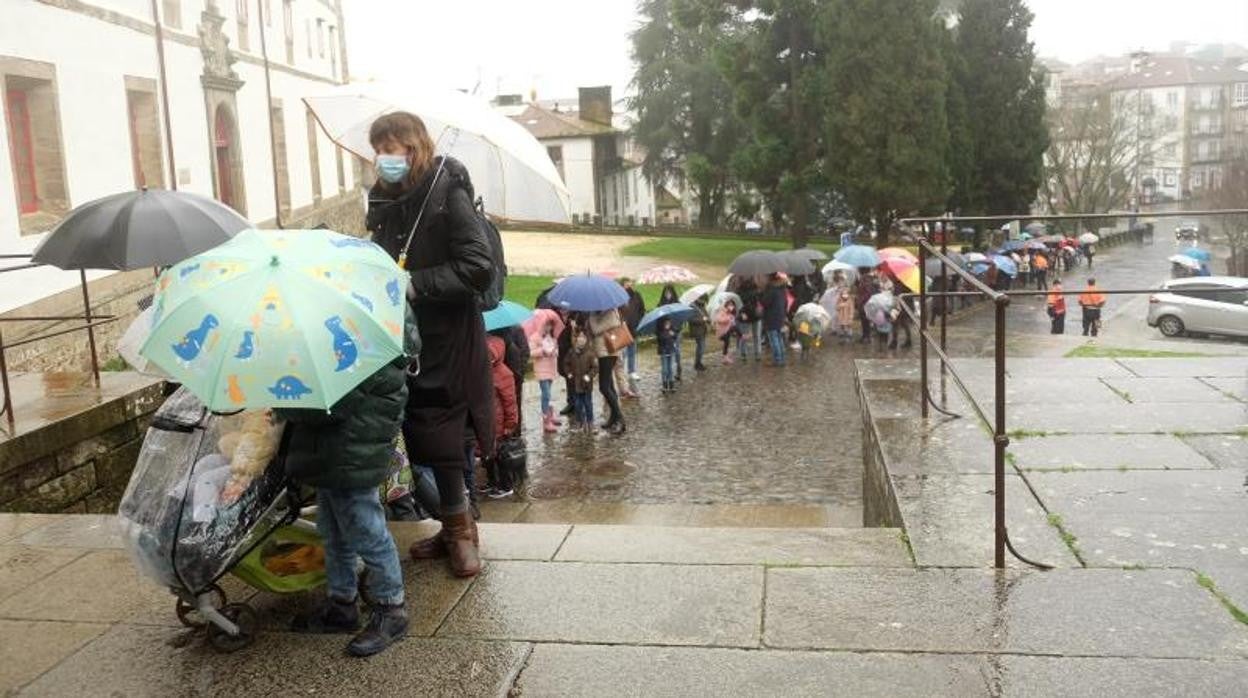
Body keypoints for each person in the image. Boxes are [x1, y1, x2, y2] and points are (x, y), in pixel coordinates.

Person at [365, 112, 492, 579]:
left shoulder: (447, 192)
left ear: (413, 148)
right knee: (418, 430)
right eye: (377, 147)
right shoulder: (386, 196)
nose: (382, 157)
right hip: (409, 333)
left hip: (449, 333)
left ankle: (461, 534)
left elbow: (477, 266)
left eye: (390, 147)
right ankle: (451, 527)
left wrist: (413, 284)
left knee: (445, 431)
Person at [283, 310, 417, 657]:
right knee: (332, 528)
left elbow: (334, 403)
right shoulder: (356, 329)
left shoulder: (367, 342)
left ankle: (392, 607)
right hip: (336, 450)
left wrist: (284, 405)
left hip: (353, 449)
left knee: (365, 529)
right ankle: (342, 603)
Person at [482, 335, 519, 498]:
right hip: (486, 421)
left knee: (501, 457)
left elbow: (510, 402)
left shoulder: (504, 373)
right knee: (487, 455)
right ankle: (492, 482)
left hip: (498, 423)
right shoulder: (482, 371)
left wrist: (510, 425)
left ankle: (506, 485)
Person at [588, 307, 627, 434]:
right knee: (609, 385)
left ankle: (620, 419)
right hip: (604, 352)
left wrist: (591, 315)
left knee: (604, 387)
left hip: (608, 352)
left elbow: (595, 329)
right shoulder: (602, 311)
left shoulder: (611, 313)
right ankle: (613, 418)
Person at [528, 314, 561, 433]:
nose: (549, 327)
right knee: (546, 394)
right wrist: (542, 351)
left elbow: (556, 349)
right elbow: (530, 352)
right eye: (547, 324)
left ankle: (550, 415)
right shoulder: (535, 337)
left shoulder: (552, 337)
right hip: (541, 369)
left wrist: (555, 351)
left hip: (551, 368)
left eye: (551, 325)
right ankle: (546, 421)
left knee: (549, 394)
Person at [564, 328, 597, 433]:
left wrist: (590, 375)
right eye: (579, 337)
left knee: (588, 404)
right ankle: (579, 422)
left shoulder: (591, 353)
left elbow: (595, 367)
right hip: (576, 384)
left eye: (583, 337)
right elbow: (566, 363)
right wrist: (568, 373)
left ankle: (590, 422)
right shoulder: (571, 352)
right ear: (576, 339)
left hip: (586, 385)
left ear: (587, 339)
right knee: (578, 404)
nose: (581, 339)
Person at [618, 278, 646, 395]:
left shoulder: (637, 295)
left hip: (634, 328)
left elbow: (642, 309)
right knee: (623, 352)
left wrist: (638, 321)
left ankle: (631, 371)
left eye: (631, 283)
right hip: (623, 329)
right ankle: (622, 372)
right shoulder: (620, 297)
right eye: (627, 284)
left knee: (632, 351)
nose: (630, 285)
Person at [762, 273, 789, 366]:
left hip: (771, 318)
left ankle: (778, 360)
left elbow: (765, 303)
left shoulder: (771, 290)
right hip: (780, 317)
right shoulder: (782, 290)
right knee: (779, 338)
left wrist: (762, 294)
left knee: (774, 339)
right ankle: (782, 358)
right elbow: (786, 304)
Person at [736, 277, 763, 361]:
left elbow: (737, 304)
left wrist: (741, 312)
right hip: (752, 315)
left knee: (746, 336)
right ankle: (756, 354)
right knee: (755, 336)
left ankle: (745, 354)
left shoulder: (739, 290)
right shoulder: (756, 289)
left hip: (749, 315)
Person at [687, 295, 710, 371]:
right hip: (697, 331)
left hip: (703, 330)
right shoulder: (692, 307)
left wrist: (708, 319)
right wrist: (702, 320)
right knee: (701, 347)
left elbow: (706, 315)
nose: (704, 302)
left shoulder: (702, 306)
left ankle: (698, 362)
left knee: (701, 347)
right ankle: (697, 363)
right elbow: (691, 319)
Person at [657, 317, 679, 393]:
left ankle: (671, 384)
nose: (668, 324)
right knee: (665, 369)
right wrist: (667, 331)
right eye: (666, 323)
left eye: (669, 323)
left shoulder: (671, 330)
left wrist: (673, 334)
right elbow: (661, 339)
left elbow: (675, 336)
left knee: (670, 368)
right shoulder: (660, 331)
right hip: (664, 351)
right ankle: (665, 384)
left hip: (671, 350)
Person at [715, 299, 741, 365]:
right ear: (726, 305)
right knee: (727, 342)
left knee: (727, 343)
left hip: (727, 331)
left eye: (732, 305)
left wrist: (732, 319)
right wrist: (728, 319)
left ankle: (725, 358)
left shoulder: (730, 314)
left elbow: (732, 324)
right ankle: (742, 336)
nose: (731, 307)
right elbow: (718, 320)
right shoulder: (722, 311)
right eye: (730, 305)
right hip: (722, 332)